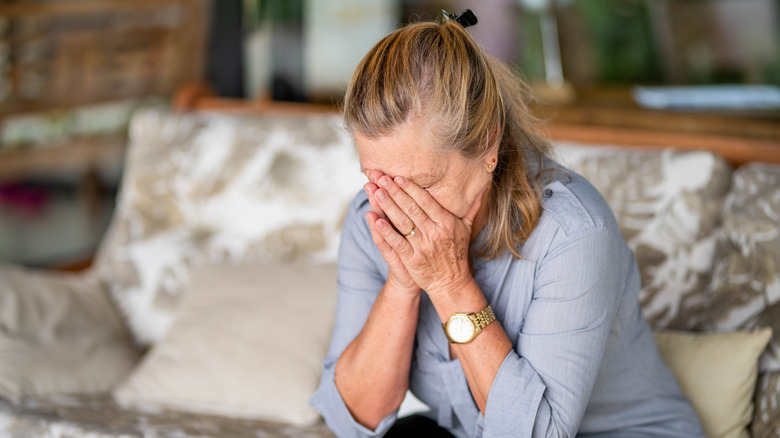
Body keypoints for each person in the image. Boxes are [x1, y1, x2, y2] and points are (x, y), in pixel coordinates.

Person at [309, 10, 705, 438]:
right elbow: (351, 419)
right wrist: (402, 284)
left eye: (423, 184)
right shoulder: (372, 214)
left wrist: (448, 283)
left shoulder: (572, 234)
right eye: (380, 179)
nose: (401, 207)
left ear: (486, 145)